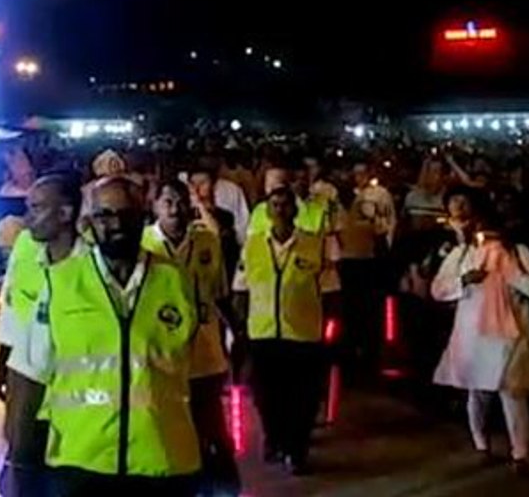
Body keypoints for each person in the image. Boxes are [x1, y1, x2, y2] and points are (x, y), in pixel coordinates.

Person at [36, 176, 200, 495]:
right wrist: (21, 460)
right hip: (82, 462)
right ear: (88, 223)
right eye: (105, 215)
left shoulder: (175, 280)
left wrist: (216, 446)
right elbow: (31, 375)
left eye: (127, 214)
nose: (117, 224)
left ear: (143, 217)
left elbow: (200, 372)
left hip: (162, 460)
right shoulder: (60, 284)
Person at [431, 187, 529, 475]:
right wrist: (464, 280)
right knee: (477, 392)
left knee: (511, 393)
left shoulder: (516, 251)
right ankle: (481, 445)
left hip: (508, 334)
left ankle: (520, 454)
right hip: (473, 334)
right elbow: (439, 290)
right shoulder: (461, 253)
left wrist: (510, 269)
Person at [234, 183, 340, 475]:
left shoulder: (313, 244)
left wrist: (330, 330)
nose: (280, 211)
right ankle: (275, 438)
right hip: (263, 334)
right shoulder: (253, 245)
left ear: (295, 211)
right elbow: (240, 289)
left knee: (303, 399)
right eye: (275, 205)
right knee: (267, 396)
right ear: (267, 211)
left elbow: (330, 290)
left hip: (304, 335)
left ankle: (297, 449)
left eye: (286, 205)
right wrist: (240, 330)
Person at [0, 173, 89, 497]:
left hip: (74, 413)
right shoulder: (24, 246)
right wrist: (2, 362)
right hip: (28, 396)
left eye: (36, 208)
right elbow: (10, 304)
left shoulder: (91, 267)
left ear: (65, 214)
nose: (27, 218)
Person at [143, 180, 240, 496]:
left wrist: (238, 331)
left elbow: (220, 294)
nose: (174, 209)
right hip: (162, 358)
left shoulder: (207, 241)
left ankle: (223, 489)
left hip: (205, 354)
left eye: (180, 201)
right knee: (171, 433)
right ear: (155, 206)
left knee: (212, 428)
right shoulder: (144, 245)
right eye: (167, 201)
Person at [339, 160, 396, 377]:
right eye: (355, 173)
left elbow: (389, 225)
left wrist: (385, 251)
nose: (359, 177)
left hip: (371, 261)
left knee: (371, 311)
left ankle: (371, 356)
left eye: (363, 173)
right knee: (349, 311)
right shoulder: (343, 196)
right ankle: (350, 356)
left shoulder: (380, 195)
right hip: (348, 261)